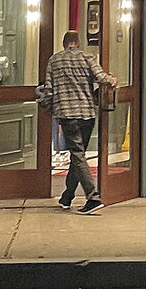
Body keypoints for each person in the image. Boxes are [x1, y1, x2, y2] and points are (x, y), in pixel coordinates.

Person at [44, 30, 116, 214]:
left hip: (67, 114)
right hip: (87, 113)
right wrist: (112, 81)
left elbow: (49, 90)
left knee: (77, 155)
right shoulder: (87, 57)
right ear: (78, 42)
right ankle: (67, 197)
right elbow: (102, 78)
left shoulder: (54, 60)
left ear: (64, 43)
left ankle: (93, 198)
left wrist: (47, 105)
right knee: (79, 156)